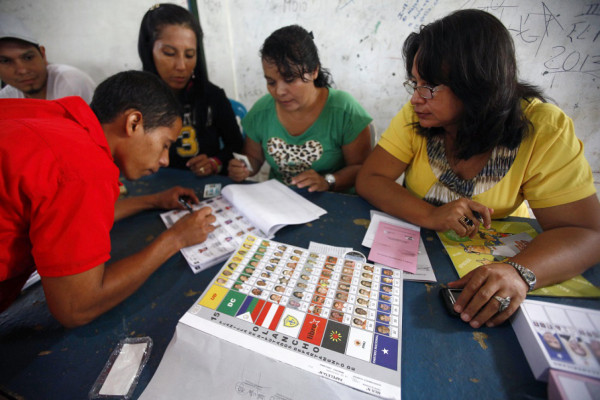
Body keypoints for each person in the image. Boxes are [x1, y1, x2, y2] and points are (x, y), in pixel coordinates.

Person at [356, 9, 600, 329]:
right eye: (414, 83)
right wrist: (431, 216)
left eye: (429, 86)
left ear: (475, 85)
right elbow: (371, 178)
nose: (416, 98)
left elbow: (587, 233)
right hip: (421, 255)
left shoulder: (544, 129)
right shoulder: (419, 114)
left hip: (496, 258)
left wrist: (518, 272)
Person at [0, 70, 216, 326]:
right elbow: (76, 307)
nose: (164, 160)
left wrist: (153, 200)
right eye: (165, 144)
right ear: (134, 122)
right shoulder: (82, 168)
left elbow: (65, 215)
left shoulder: (49, 116)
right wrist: (176, 238)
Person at [228, 25, 372, 192]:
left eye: (289, 79)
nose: (279, 92)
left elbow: (362, 168)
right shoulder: (261, 112)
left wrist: (328, 181)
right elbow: (253, 158)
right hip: (279, 200)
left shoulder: (344, 111)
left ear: (314, 71)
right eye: (271, 82)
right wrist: (243, 169)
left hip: (335, 201)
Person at [138, 3, 243, 176]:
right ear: (149, 52)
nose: (181, 66)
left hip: (203, 187)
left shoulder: (212, 96)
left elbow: (236, 145)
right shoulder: (133, 100)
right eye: (169, 53)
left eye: (189, 55)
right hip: (151, 188)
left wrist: (214, 163)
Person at [0, 14, 96, 102]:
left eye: (28, 58)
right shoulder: (7, 98)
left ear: (42, 55)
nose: (22, 70)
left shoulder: (70, 82)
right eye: (5, 61)